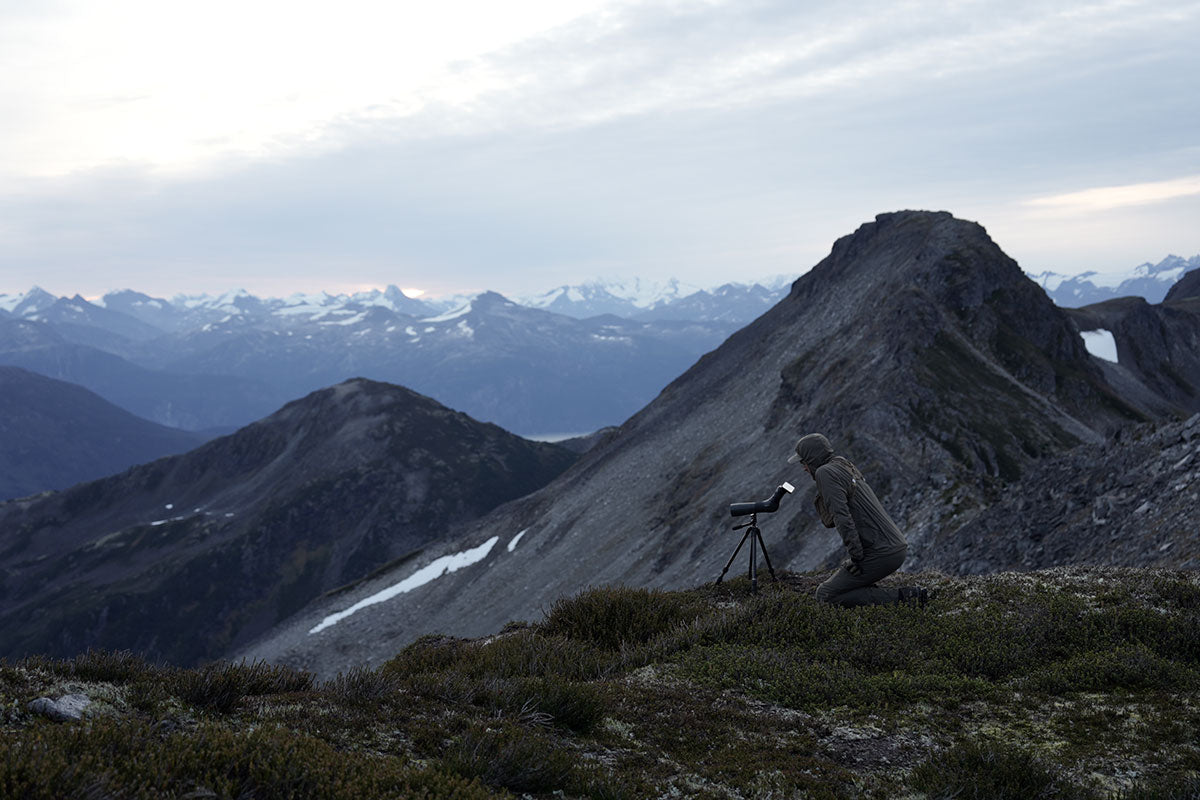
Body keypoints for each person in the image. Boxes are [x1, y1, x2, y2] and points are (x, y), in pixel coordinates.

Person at [789, 433, 928, 607]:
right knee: (845, 586)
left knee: (825, 594)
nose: (803, 468)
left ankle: (907, 598)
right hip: (894, 546)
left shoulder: (825, 473)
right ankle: (894, 597)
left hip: (882, 553)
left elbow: (842, 517)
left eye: (803, 462)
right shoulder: (842, 464)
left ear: (812, 458)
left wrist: (856, 558)